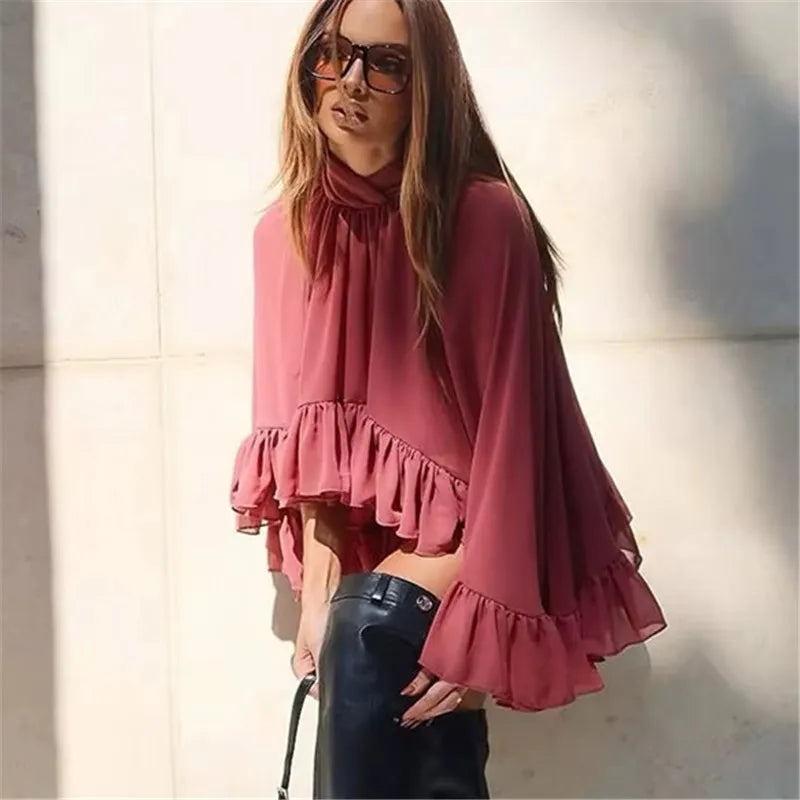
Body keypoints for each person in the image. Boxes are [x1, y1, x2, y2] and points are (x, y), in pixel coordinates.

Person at [230, 0, 668, 797]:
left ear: (425, 86)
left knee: (371, 623)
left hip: (487, 531)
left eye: (385, 64)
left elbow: (518, 437)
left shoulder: (482, 218)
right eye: (333, 53)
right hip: (373, 572)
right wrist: (314, 601)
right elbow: (308, 458)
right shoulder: (283, 236)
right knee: (387, 679)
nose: (350, 81)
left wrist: (486, 624)